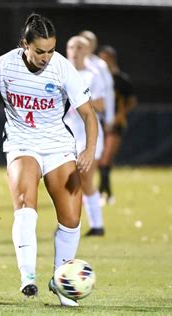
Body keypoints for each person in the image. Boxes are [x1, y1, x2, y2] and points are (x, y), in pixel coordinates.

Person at [0, 13, 98, 307]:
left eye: (51, 50)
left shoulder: (62, 69)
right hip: (21, 144)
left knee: (71, 219)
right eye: (40, 51)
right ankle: (28, 276)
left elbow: (88, 115)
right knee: (24, 203)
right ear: (24, 45)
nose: (46, 57)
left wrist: (89, 150)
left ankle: (61, 282)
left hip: (58, 147)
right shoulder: (4, 66)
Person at [65, 36, 106, 237]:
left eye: (79, 47)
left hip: (88, 133)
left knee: (86, 179)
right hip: (66, 134)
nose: (75, 51)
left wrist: (83, 98)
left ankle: (97, 225)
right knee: (66, 180)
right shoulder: (61, 73)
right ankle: (69, 222)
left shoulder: (92, 76)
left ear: (86, 51)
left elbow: (101, 105)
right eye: (71, 47)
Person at [78, 30, 116, 205]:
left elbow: (107, 93)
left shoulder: (98, 66)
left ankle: (99, 195)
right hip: (72, 122)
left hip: (93, 118)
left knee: (94, 164)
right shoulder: (69, 65)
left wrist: (109, 118)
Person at [97, 45, 137, 205]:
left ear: (111, 59)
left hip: (115, 123)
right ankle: (107, 193)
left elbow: (132, 101)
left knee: (106, 158)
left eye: (104, 58)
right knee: (101, 160)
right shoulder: (98, 79)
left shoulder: (121, 80)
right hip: (100, 122)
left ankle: (101, 194)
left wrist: (121, 114)